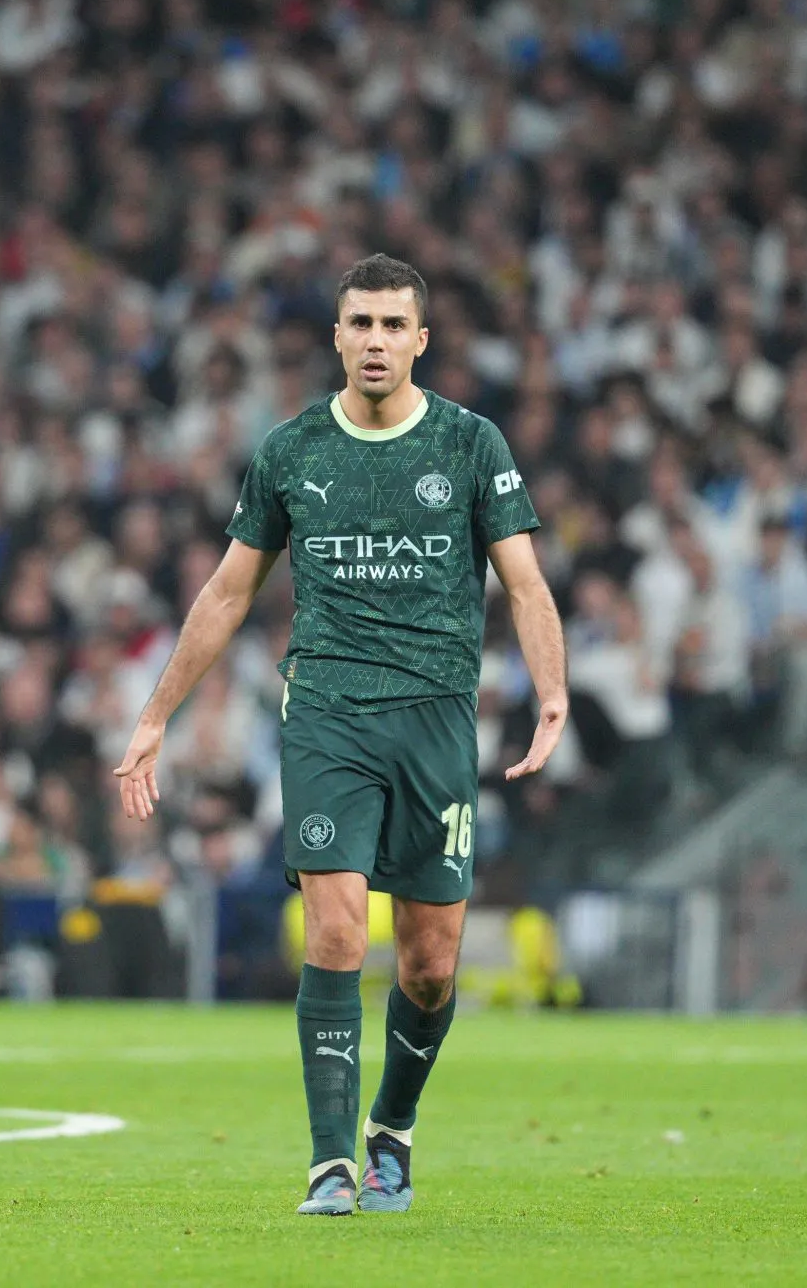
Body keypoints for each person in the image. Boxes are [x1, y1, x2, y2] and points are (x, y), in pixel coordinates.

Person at [114, 255, 567, 1216]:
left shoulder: (469, 443)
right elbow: (229, 591)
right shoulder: (290, 452)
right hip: (325, 713)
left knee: (431, 961)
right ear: (335, 335)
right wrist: (156, 716)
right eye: (358, 323)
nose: (374, 341)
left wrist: (552, 691)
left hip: (439, 717)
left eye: (392, 326)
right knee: (333, 929)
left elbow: (524, 583)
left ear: (420, 340)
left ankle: (390, 1134)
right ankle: (328, 1163)